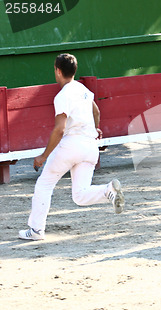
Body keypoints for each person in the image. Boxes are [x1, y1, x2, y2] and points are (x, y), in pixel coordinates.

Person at [18, 53, 125, 241]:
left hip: (71, 145)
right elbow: (96, 111)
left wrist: (43, 156)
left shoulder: (62, 96)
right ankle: (108, 190)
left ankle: (36, 230)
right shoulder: (83, 89)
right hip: (90, 146)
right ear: (74, 71)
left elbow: (59, 130)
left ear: (58, 71)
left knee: (44, 184)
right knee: (80, 195)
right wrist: (96, 127)